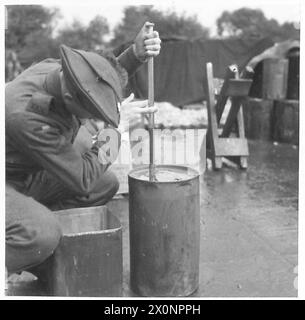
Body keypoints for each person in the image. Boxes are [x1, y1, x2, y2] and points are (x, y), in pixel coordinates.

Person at [5, 22, 161, 275]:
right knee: (41, 232)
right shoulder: (26, 116)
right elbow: (83, 179)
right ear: (69, 101)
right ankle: (27, 243)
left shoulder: (64, 73)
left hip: (20, 171)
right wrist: (114, 132)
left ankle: (37, 254)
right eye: (98, 112)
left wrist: (135, 54)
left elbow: (97, 77)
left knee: (105, 183)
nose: (102, 115)